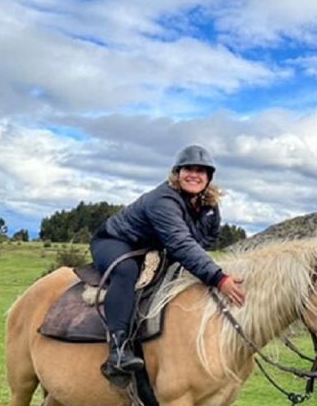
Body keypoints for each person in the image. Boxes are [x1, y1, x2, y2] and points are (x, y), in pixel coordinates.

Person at [90, 144, 246, 379]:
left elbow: (204, 241)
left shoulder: (207, 206)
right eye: (188, 169)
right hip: (117, 241)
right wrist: (218, 277)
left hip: (154, 248)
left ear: (208, 177)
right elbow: (181, 242)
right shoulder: (163, 200)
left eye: (201, 171)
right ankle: (118, 350)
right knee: (126, 271)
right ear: (177, 172)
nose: (194, 175)